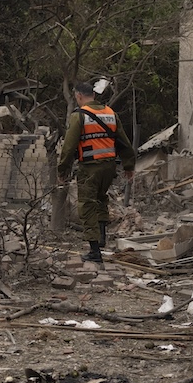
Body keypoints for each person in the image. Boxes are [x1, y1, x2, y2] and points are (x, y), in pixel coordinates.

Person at [57, 81, 136, 262]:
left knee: (87, 205)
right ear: (94, 95)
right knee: (101, 199)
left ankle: (94, 251)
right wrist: (129, 166)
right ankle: (101, 239)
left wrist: (63, 170)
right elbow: (124, 142)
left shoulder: (79, 116)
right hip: (109, 167)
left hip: (90, 167)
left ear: (78, 96)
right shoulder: (110, 113)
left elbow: (69, 147)